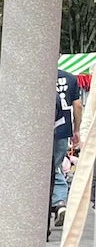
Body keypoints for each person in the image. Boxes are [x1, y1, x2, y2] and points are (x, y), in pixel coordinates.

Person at [52, 62, 84, 227]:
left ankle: (57, 202)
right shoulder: (70, 78)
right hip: (63, 129)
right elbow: (77, 105)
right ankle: (60, 203)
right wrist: (76, 129)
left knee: (45, 170)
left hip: (38, 132)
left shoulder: (38, 76)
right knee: (56, 167)